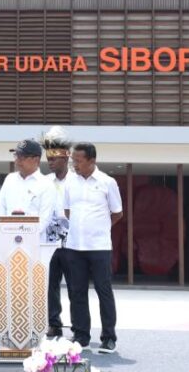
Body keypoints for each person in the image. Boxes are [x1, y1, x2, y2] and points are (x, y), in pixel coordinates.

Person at [64, 142, 123, 354]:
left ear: (92, 160)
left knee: (103, 290)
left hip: (99, 247)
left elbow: (117, 213)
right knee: (77, 292)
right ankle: (81, 336)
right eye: (73, 160)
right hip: (74, 246)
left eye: (78, 161)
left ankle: (108, 337)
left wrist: (99, 228)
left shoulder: (108, 182)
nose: (74, 164)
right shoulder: (70, 183)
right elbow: (68, 210)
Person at [40, 126, 74, 338]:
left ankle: (79, 325)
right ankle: (54, 323)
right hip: (50, 242)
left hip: (73, 242)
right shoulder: (44, 182)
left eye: (54, 159)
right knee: (50, 286)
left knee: (75, 286)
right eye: (48, 159)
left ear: (65, 157)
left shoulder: (76, 180)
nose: (50, 162)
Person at [0, 138, 56, 243]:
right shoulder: (9, 179)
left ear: (36, 159)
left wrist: (22, 236)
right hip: (8, 242)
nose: (17, 160)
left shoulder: (46, 184)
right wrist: (6, 232)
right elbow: (0, 210)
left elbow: (44, 219)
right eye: (16, 156)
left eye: (22, 157)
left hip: (34, 244)